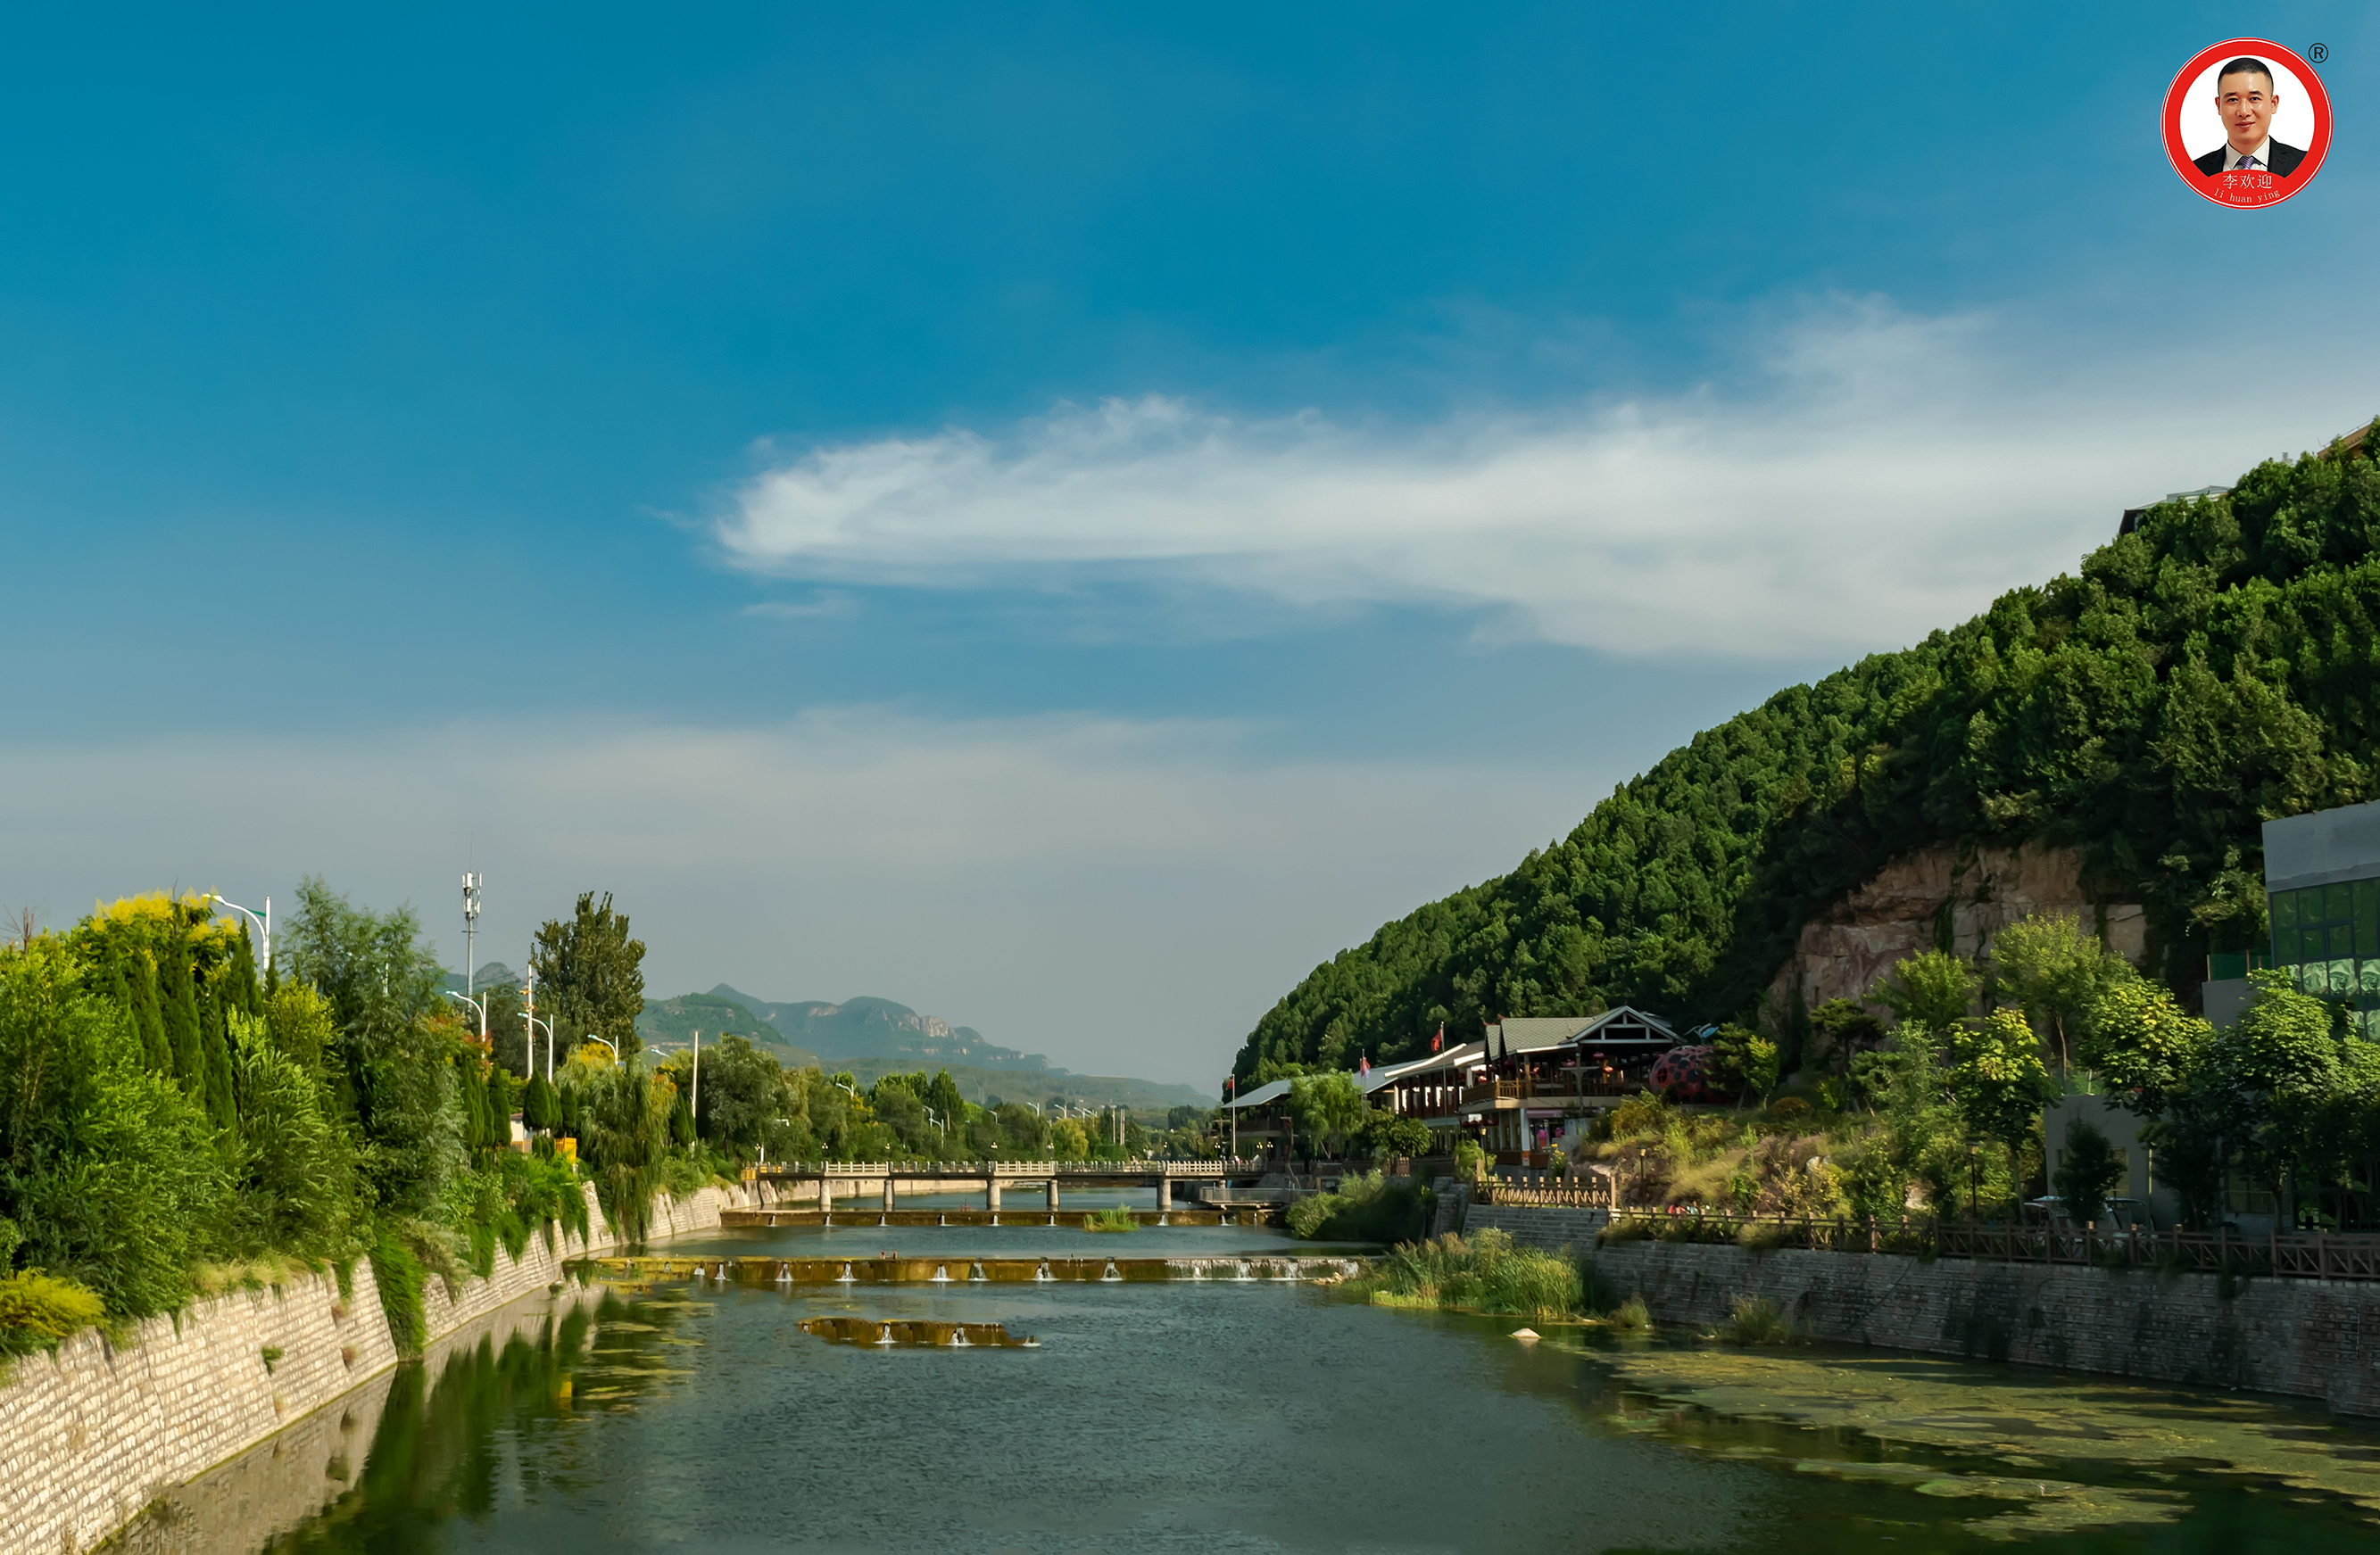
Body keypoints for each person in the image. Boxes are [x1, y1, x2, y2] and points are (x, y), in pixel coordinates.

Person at [2192, 57, 2305, 177]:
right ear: (2218, 105)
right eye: (2233, 100)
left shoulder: (2304, 165)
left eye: (2254, 99)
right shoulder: (2194, 171)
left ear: (2274, 104)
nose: (2244, 111)